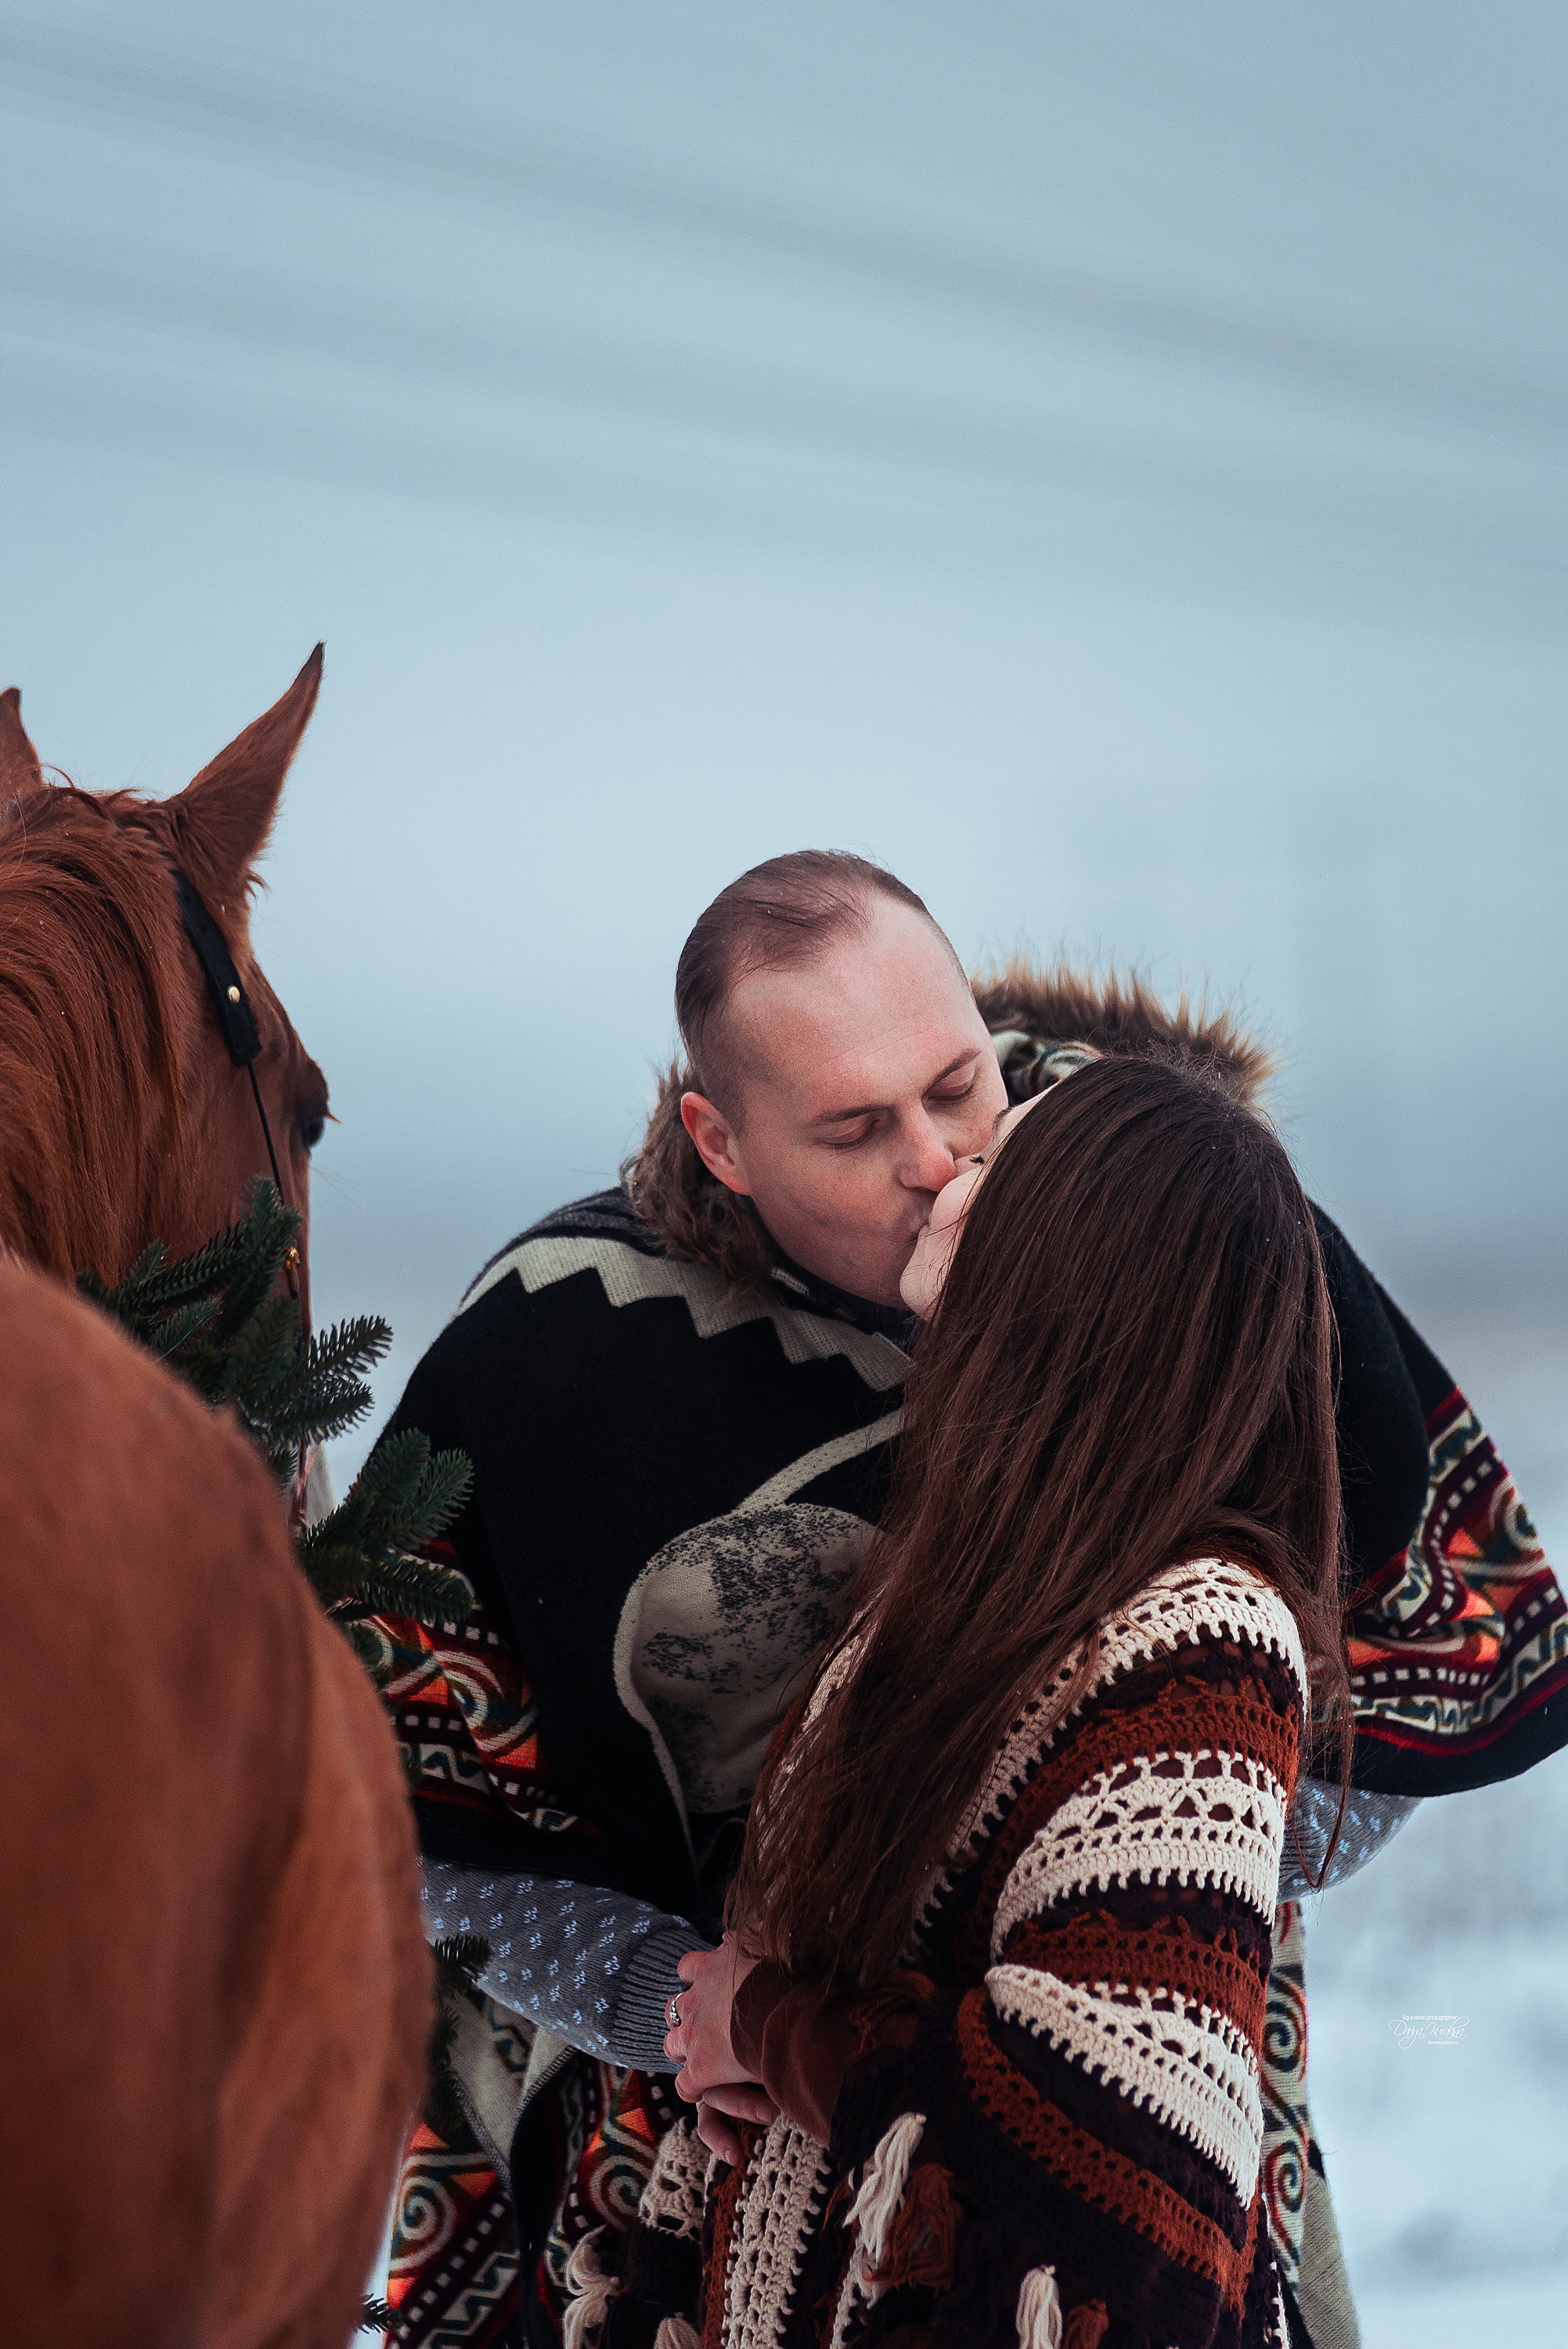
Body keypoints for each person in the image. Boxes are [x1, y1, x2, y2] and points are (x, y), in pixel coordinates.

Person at [369, 853, 1566, 2349]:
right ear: (721, 1140)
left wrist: (1140, 1859)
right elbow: (407, 1814)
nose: (936, 1160)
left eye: (957, 1086)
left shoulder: (1182, 1232)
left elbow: (1429, 1665)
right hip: (708, 2142)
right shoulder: (563, 1362)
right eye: (856, 1129)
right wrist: (658, 1994)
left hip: (1138, 2092)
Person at [634, 1051, 1340, 2347]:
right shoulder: (950, 1597)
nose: (951, 1172)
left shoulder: (1203, 1640)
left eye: (1002, 1159)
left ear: (1072, 1253)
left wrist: (771, 2025)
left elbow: (1122, 2194)